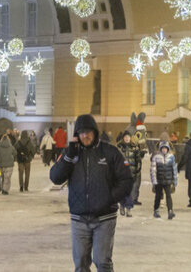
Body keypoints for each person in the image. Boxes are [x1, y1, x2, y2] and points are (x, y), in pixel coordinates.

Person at [50, 114, 133, 272]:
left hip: (104, 218)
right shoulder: (71, 154)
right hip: (79, 218)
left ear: (95, 132)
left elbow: (126, 180)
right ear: (77, 134)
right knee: (81, 264)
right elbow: (55, 178)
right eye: (81, 132)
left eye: (88, 132)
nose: (85, 136)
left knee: (102, 262)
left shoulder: (110, 152)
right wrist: (69, 155)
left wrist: (109, 198)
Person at [117, 133, 142, 218]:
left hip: (131, 173)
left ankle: (128, 208)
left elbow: (138, 160)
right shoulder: (119, 148)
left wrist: (137, 171)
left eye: (128, 137)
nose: (127, 138)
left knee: (130, 192)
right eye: (125, 137)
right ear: (123, 138)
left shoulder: (134, 148)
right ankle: (122, 205)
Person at [150, 143, 178, 220]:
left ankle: (170, 211)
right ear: (160, 149)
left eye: (165, 148)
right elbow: (153, 170)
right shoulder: (156, 157)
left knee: (168, 196)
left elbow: (174, 169)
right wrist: (154, 181)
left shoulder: (171, 157)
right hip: (159, 180)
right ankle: (156, 210)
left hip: (167, 180)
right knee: (158, 196)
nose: (164, 150)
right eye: (163, 148)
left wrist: (174, 180)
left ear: (168, 149)